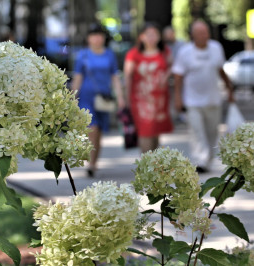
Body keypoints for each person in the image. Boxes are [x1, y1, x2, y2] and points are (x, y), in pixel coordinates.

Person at [172, 20, 235, 173]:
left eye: (205, 32)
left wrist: (229, 89)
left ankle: (208, 160)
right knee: (196, 131)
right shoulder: (185, 52)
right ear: (193, 35)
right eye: (199, 33)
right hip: (192, 101)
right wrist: (178, 98)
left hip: (213, 100)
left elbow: (221, 70)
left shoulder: (216, 48)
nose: (203, 36)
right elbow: (178, 77)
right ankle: (199, 160)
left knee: (212, 132)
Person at [71, 24, 125, 177]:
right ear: (88, 38)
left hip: (104, 98)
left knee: (99, 131)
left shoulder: (109, 55)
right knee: (92, 128)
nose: (96, 38)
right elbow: (78, 77)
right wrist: (72, 97)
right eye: (93, 35)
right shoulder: (83, 55)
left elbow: (115, 77)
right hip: (87, 97)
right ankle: (90, 161)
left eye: (99, 35)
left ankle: (93, 162)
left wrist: (120, 97)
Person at [123, 22, 173, 153]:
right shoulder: (133, 54)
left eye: (154, 34)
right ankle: (146, 164)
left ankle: (154, 165)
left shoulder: (165, 52)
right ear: (141, 37)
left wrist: (166, 76)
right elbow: (127, 76)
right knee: (145, 132)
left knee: (156, 132)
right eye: (148, 34)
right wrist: (125, 99)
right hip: (141, 100)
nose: (151, 37)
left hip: (160, 99)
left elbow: (173, 67)